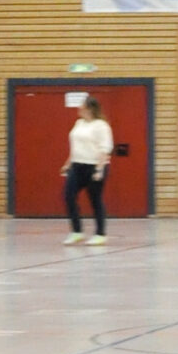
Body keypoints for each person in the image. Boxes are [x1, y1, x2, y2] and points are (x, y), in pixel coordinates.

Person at [62, 97, 113, 246]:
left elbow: (105, 148)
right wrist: (67, 164)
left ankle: (100, 234)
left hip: (94, 166)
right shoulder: (79, 123)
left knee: (95, 199)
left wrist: (99, 169)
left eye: (82, 106)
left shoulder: (101, 126)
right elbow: (76, 146)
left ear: (90, 109)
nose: (79, 109)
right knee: (68, 196)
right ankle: (77, 231)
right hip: (77, 166)